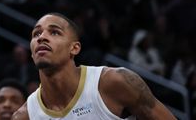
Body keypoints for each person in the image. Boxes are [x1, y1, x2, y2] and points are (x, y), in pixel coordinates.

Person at [12, 13, 175, 120]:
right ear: (32, 54)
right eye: (36, 34)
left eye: (54, 32)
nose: (42, 38)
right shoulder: (25, 116)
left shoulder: (114, 82)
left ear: (74, 48)